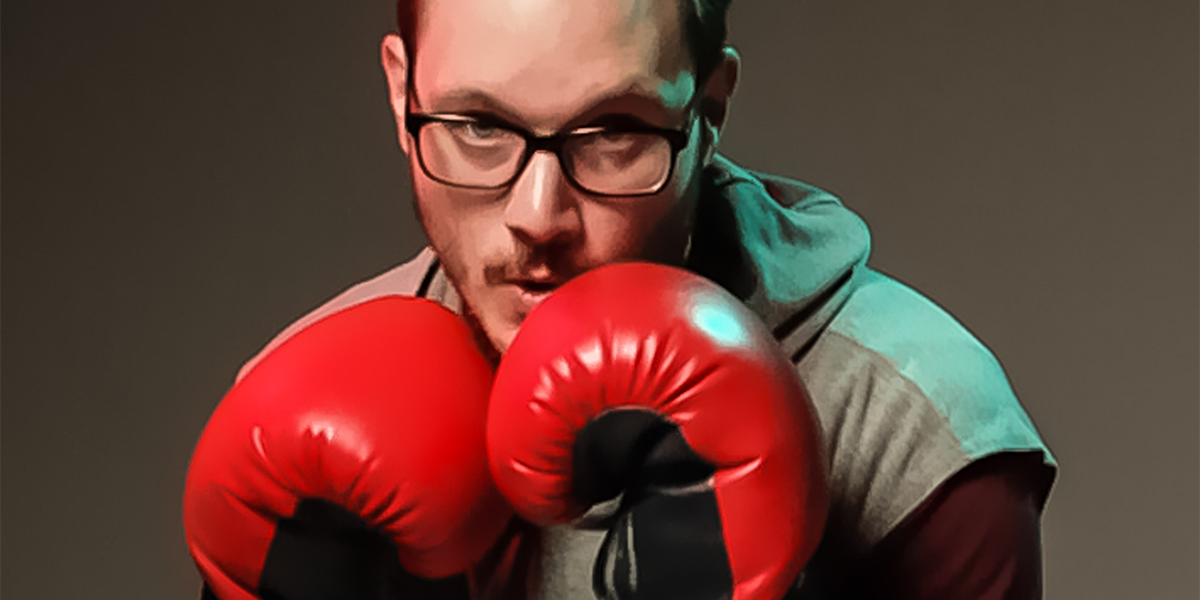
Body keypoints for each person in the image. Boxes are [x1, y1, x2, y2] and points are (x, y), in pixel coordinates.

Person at [199, 0, 1057, 598]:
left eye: (613, 132)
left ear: (708, 111)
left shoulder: (913, 430)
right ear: (402, 95)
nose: (538, 218)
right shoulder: (288, 419)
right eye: (478, 127)